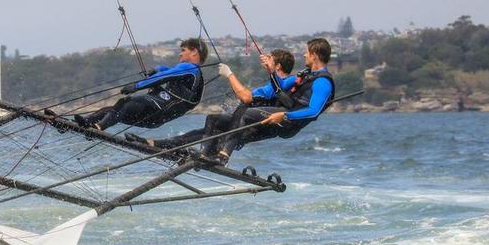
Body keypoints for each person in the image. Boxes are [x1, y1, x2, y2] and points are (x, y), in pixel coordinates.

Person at [129, 48, 296, 153]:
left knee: (209, 125)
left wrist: (229, 74)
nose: (266, 61)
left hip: (247, 126)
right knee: (199, 132)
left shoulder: (283, 82)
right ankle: (155, 143)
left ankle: (204, 153)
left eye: (270, 60)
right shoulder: (277, 82)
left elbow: (245, 96)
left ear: (278, 66)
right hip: (243, 120)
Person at [207, 38, 335, 163]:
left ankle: (223, 156)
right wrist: (271, 71)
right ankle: (209, 153)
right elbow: (281, 87)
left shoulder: (323, 82)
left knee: (245, 114)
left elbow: (313, 111)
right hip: (283, 113)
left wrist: (285, 115)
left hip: (290, 121)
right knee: (228, 118)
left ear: (315, 56)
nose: (304, 55)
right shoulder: (305, 74)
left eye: (307, 52)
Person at [74, 38, 208, 132]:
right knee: (112, 110)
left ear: (194, 52)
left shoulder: (189, 68)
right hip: (155, 120)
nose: (180, 53)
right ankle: (84, 123)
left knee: (126, 102)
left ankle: (98, 128)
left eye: (183, 50)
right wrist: (158, 69)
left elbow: (163, 77)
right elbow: (167, 72)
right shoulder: (195, 75)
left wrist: (136, 86)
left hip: (157, 110)